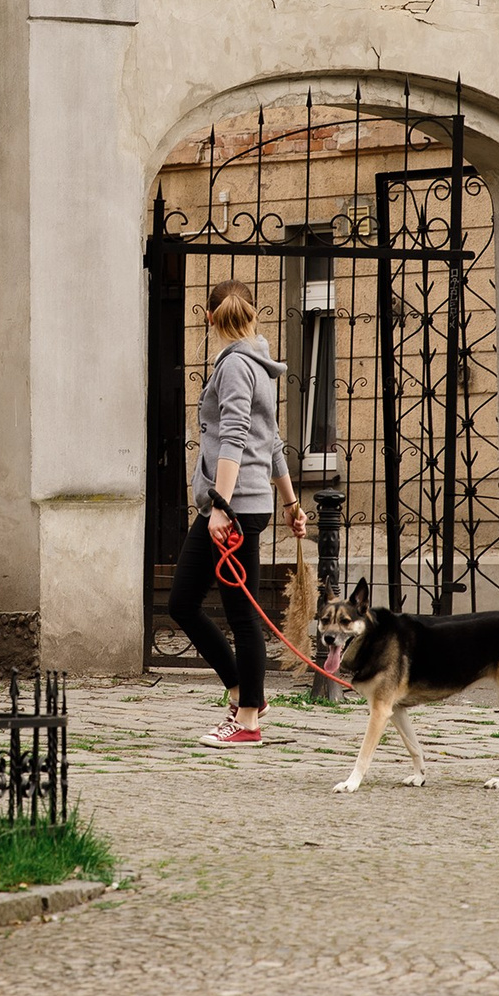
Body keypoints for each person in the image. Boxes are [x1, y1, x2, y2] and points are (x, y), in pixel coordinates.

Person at [166, 279, 305, 747]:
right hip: (244, 504)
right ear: (255, 312)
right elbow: (274, 443)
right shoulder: (259, 364)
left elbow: (238, 436)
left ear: (208, 318)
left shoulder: (234, 367)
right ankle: (243, 692)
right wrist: (290, 503)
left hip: (233, 507)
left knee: (239, 614)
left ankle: (247, 721)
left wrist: (220, 506)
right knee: (183, 601)